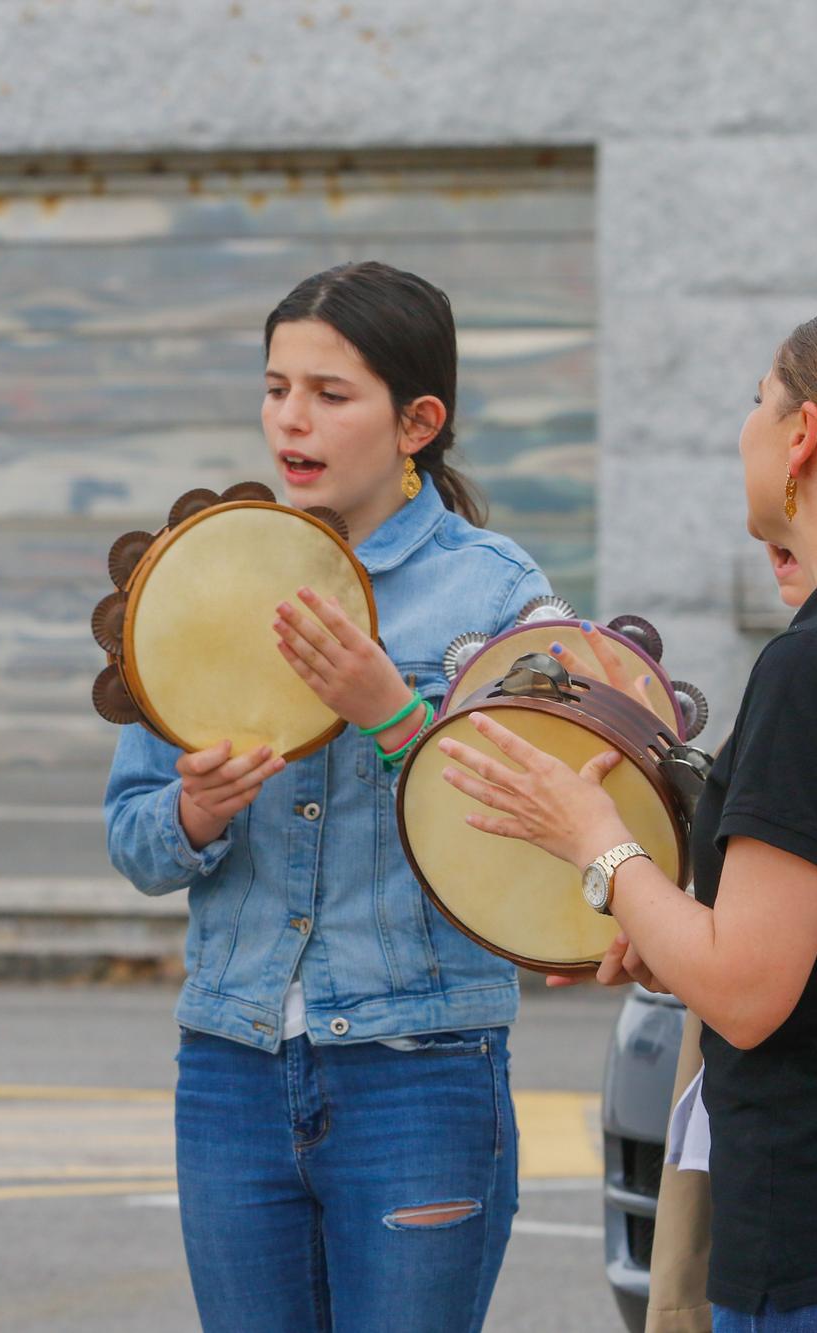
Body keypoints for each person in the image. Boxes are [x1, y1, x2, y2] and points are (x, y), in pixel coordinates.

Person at [438, 304, 817, 1330]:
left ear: (802, 437)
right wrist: (661, 926)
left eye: (753, 401)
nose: (744, 426)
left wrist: (592, 837)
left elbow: (745, 990)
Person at [103, 261, 555, 1330]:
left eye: (327, 393)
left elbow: (532, 847)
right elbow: (132, 838)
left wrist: (391, 711)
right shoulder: (200, 566)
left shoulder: (496, 593)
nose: (288, 420)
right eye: (274, 388)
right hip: (231, 1064)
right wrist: (195, 812)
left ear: (417, 421)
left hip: (420, 1068)